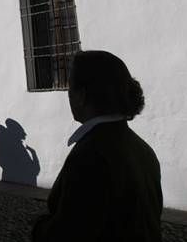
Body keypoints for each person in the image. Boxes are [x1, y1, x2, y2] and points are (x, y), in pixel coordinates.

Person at [32, 50, 162, 242]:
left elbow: (69, 232)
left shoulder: (91, 154)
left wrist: (40, 227)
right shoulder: (141, 147)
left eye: (70, 89)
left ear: (82, 95)